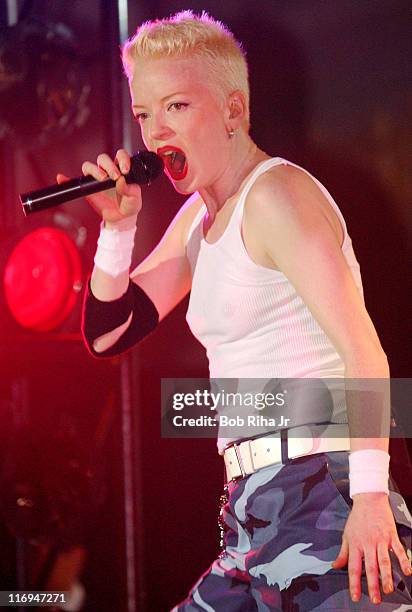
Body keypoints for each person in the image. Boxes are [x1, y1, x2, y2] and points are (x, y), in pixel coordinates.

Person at [59, 10, 412, 610]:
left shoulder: (275, 195)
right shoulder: (197, 219)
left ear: (232, 110)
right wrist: (118, 232)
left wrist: (372, 500)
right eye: (145, 114)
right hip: (252, 509)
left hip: (325, 491)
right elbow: (108, 333)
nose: (155, 132)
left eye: (176, 106)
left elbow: (365, 352)